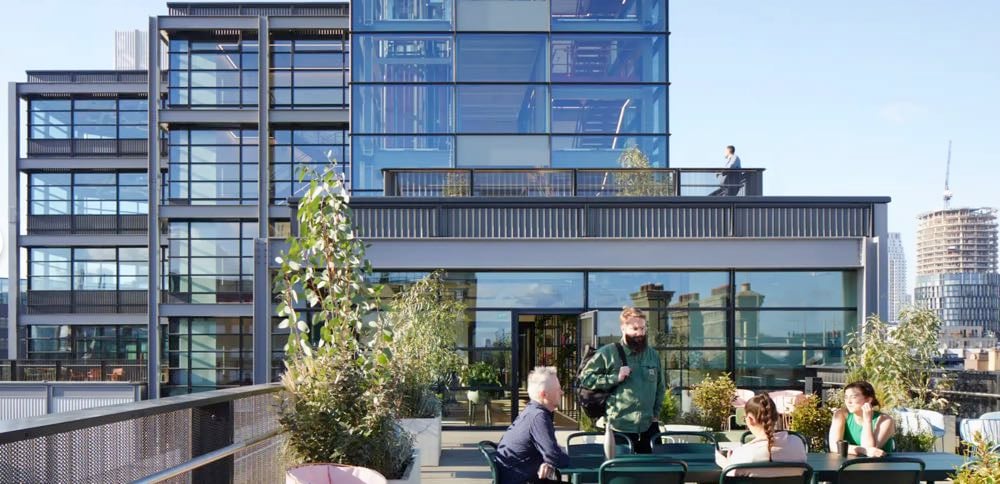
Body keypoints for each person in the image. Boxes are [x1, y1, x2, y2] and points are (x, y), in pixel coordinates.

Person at [579, 307, 664, 454]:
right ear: (623, 328)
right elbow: (585, 379)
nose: (640, 333)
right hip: (619, 428)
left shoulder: (653, 355)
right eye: (635, 328)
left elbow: (660, 386)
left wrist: (655, 414)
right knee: (620, 471)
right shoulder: (608, 353)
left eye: (643, 328)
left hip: (648, 427)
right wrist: (614, 378)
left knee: (653, 472)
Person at [495, 367, 569, 483]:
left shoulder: (531, 411)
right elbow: (555, 456)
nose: (562, 392)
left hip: (519, 475)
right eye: (558, 389)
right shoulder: (539, 417)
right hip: (521, 479)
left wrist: (548, 461)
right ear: (544, 395)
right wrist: (558, 458)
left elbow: (550, 453)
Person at [715, 393, 807, 477]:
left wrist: (726, 464)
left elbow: (730, 477)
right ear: (776, 417)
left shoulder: (743, 453)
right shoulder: (797, 444)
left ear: (750, 419)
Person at [828, 381, 896, 456]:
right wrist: (862, 450)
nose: (848, 401)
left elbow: (870, 449)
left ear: (868, 400)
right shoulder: (840, 415)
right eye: (846, 397)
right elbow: (834, 447)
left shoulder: (885, 420)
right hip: (847, 465)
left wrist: (867, 421)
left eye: (853, 397)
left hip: (878, 465)